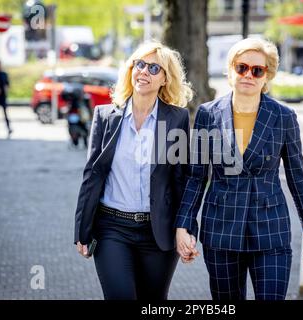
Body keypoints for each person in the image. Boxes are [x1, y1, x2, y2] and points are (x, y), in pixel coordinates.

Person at [175, 38, 303, 300]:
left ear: (267, 76)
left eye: (257, 70)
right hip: (221, 229)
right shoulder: (208, 114)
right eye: (241, 67)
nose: (248, 75)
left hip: (270, 230)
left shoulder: (284, 117)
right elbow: (196, 176)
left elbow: (297, 177)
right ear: (231, 70)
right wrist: (183, 224)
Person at [74, 41, 193, 300]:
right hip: (111, 229)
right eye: (140, 65)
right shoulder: (105, 116)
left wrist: (186, 228)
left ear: (165, 79)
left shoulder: (177, 118)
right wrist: (81, 228)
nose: (144, 72)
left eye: (153, 68)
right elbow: (92, 175)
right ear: (130, 69)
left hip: (158, 231)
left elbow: (182, 179)